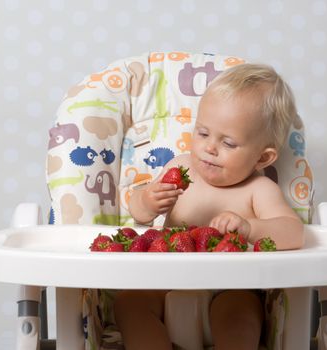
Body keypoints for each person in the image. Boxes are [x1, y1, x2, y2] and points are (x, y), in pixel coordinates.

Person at [114, 63, 304, 350]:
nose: (210, 147)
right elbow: (139, 214)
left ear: (263, 158)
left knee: (241, 314)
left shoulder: (258, 190)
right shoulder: (180, 167)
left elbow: (294, 233)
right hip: (167, 279)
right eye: (203, 133)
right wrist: (148, 200)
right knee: (130, 303)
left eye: (228, 142)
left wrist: (250, 228)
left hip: (231, 287)